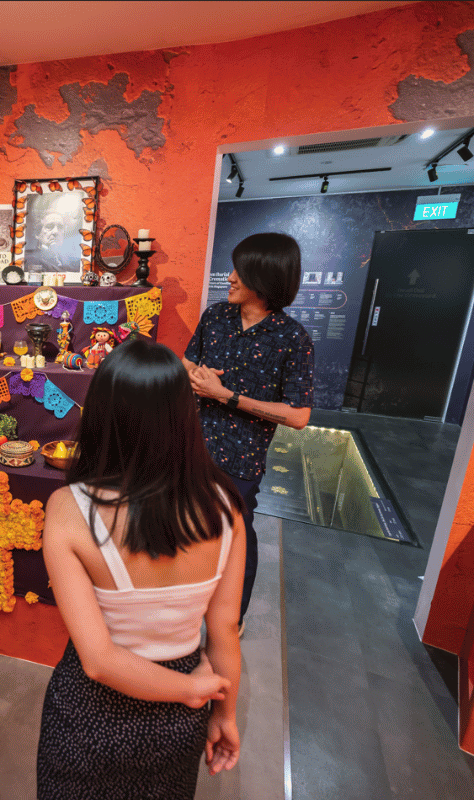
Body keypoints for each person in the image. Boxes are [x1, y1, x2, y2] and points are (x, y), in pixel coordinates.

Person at [37, 337, 245, 799]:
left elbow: (99, 661)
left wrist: (191, 691)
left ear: (101, 414)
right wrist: (223, 713)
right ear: (185, 414)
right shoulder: (225, 507)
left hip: (90, 716)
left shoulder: (69, 508)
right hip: (179, 720)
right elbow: (225, 629)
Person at [183, 232, 314, 633]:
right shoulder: (216, 317)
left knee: (235, 535)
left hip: (240, 458)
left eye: (240, 271)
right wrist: (196, 376)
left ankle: (230, 619)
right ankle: (184, 605)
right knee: (186, 528)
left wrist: (226, 396)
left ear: (266, 278)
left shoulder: (292, 338)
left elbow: (298, 416)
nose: (230, 278)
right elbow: (187, 362)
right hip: (189, 443)